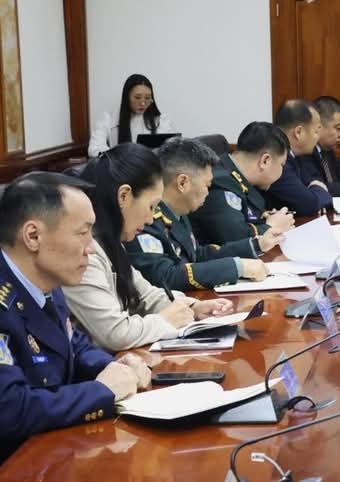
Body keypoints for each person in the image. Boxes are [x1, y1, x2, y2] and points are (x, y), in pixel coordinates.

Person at [0, 172, 151, 462]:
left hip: (52, 450)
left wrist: (116, 367)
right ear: (33, 236)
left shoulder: (47, 281)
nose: (91, 248)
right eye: (83, 233)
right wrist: (101, 392)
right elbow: (9, 409)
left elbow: (73, 344)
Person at [62, 144, 234, 352]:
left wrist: (192, 308)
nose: (151, 219)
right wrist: (166, 320)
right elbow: (116, 334)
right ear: (124, 196)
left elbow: (145, 295)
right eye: (151, 206)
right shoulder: (84, 251)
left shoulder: (111, 240)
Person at [126, 138, 284, 292]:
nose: (208, 193)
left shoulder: (179, 211)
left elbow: (197, 255)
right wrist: (236, 267)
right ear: (182, 183)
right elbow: (165, 276)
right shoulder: (145, 219)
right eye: (207, 185)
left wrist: (256, 244)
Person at [189, 122, 295, 245]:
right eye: (282, 165)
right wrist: (271, 226)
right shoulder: (218, 183)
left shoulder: (232, 172)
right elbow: (236, 239)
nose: (282, 172)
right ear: (265, 161)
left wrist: (263, 218)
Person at [264, 99, 332, 216]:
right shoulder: (277, 160)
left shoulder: (297, 156)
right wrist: (318, 189)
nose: (318, 138)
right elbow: (310, 204)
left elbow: (310, 190)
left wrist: (314, 193)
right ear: (298, 132)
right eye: (316, 132)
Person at [88, 74, 176, 157]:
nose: (143, 103)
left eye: (147, 98)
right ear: (126, 97)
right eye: (137, 97)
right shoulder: (109, 119)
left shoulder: (161, 120)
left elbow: (171, 148)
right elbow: (94, 149)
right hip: (121, 166)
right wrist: (118, 156)